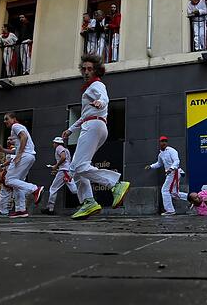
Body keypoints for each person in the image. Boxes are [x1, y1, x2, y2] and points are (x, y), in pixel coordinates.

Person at [62, 54, 130, 220]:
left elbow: (104, 97)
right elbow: (85, 114)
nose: (86, 72)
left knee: (78, 167)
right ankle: (88, 201)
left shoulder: (96, 85)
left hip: (93, 126)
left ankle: (115, 184)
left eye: (89, 69)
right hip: (94, 124)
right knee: (77, 168)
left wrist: (101, 102)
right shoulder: (89, 88)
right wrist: (70, 130)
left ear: (96, 70)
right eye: (84, 69)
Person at [0, 112, 44, 218]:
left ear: (13, 119)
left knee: (8, 180)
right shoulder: (16, 129)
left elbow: (24, 137)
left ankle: (35, 189)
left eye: (6, 119)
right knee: (17, 184)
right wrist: (3, 150)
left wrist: (20, 154)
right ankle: (21, 210)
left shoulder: (15, 126)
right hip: (29, 156)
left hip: (25, 156)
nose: (5, 121)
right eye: (4, 119)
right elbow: (15, 150)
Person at [145, 136, 187, 216]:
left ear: (167, 142)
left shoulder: (172, 151)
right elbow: (159, 163)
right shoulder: (161, 154)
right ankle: (192, 198)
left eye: (165, 141)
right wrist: (150, 166)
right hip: (170, 174)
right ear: (159, 143)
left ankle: (170, 210)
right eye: (162, 141)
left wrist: (171, 169)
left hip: (174, 172)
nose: (164, 143)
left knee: (165, 190)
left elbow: (177, 161)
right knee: (174, 193)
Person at [42, 137, 78, 215]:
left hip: (63, 171)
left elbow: (63, 157)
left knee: (53, 188)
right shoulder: (66, 149)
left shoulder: (59, 148)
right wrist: (56, 166)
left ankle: (50, 208)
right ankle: (86, 198)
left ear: (56, 143)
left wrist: (56, 166)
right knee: (74, 189)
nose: (53, 144)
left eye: (54, 143)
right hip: (67, 171)